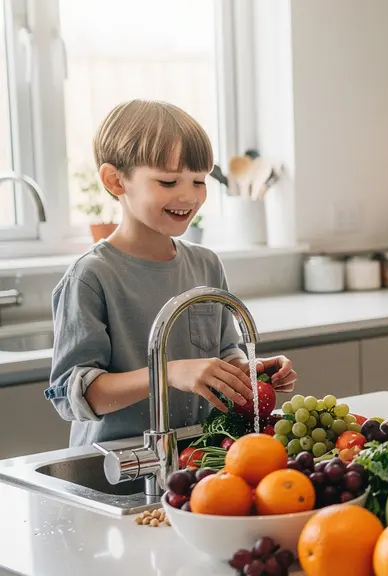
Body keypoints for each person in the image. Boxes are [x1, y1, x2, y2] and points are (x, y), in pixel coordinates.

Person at [46, 100, 297, 447]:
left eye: (199, 181)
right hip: (116, 464)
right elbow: (73, 396)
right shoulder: (91, 276)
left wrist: (244, 370)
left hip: (198, 455)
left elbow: (226, 349)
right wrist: (169, 373)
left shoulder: (206, 264)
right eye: (167, 181)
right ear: (115, 180)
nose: (188, 196)